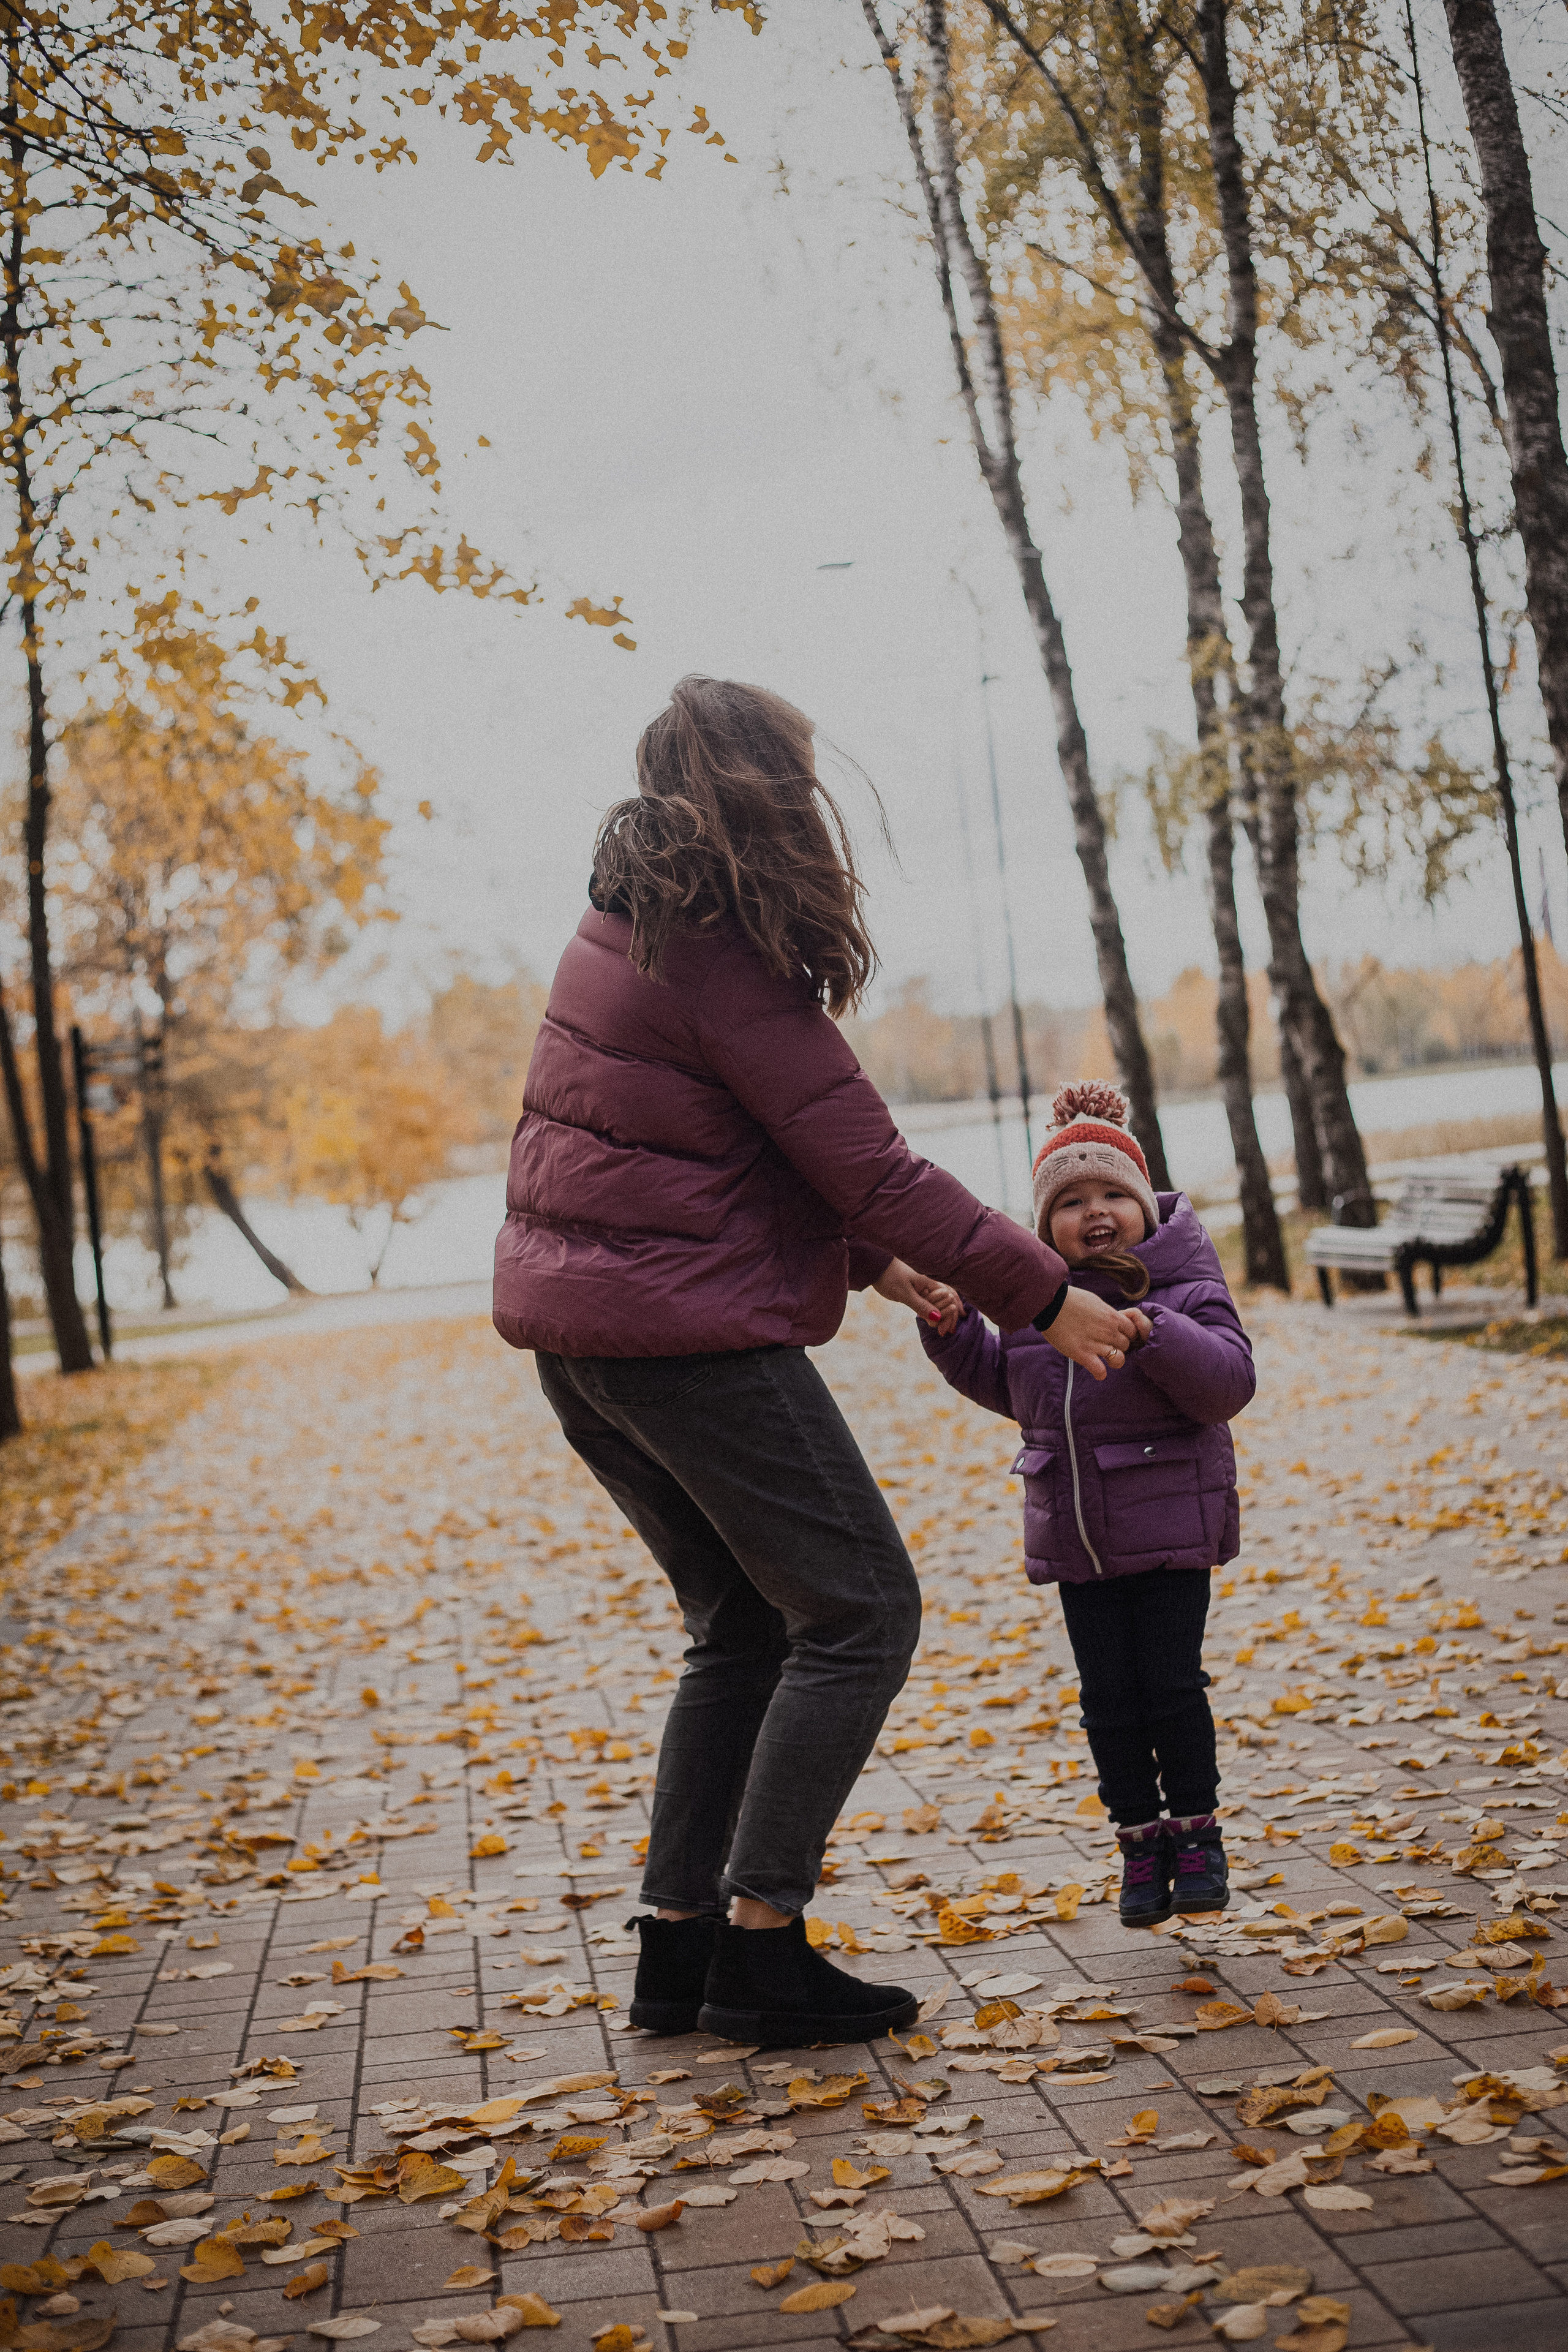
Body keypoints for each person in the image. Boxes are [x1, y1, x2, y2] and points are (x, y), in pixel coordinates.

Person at [492, 677, 1144, 2045]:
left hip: (584, 1342)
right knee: (859, 1614)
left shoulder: (618, 924)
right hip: (682, 1346)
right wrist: (1042, 1300)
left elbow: (688, 1155)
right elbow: (872, 1164)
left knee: (738, 1630)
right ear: (758, 790)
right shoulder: (717, 951)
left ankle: (677, 1951)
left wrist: (864, 1261)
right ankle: (761, 1945)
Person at [919, 1081, 1255, 1928]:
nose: (1095, 1213)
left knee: (1173, 1686)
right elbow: (1006, 1385)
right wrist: (955, 1328)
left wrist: (1158, 1331)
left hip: (1171, 1529)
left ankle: (1197, 1833)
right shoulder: (1037, 1302)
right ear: (1044, 1223)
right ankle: (1139, 1845)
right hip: (1078, 1536)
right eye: (1071, 1201)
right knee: (1106, 1696)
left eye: (1112, 1194)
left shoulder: (1182, 1284)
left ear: (1144, 1204)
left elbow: (1229, 1384)